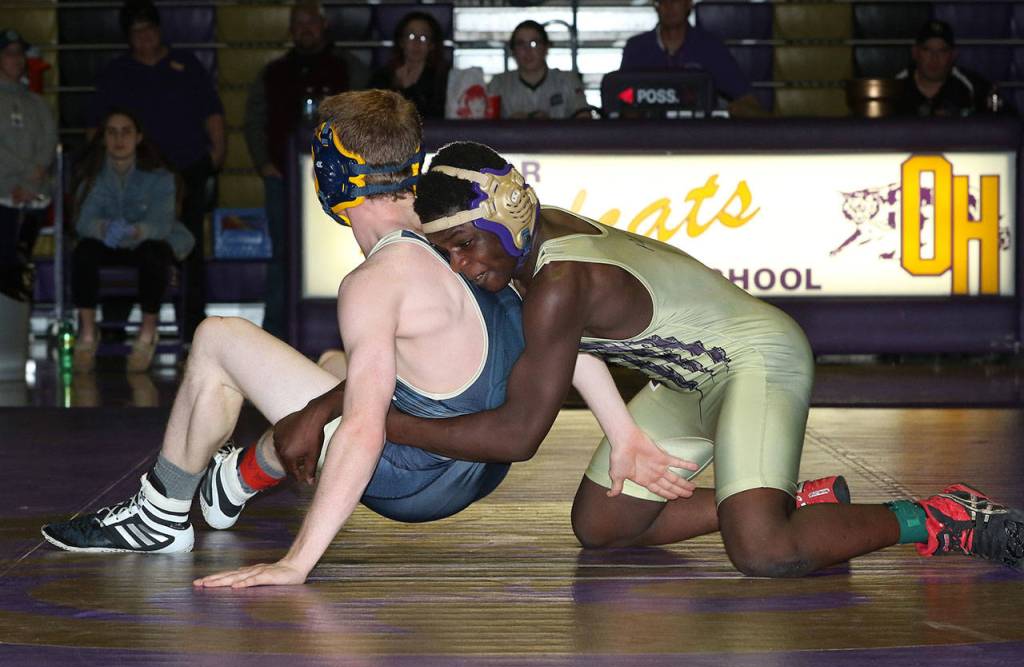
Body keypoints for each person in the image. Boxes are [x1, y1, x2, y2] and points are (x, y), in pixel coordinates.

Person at [40, 91, 633, 588]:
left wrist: (297, 562)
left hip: (414, 479)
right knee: (335, 363)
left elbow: (364, 426)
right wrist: (624, 433)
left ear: (331, 172)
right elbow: (563, 339)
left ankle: (158, 516)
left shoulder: (374, 282)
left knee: (219, 337)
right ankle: (242, 476)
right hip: (477, 462)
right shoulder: (462, 225)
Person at [380, 140, 1024, 577]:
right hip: (687, 379)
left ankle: (942, 518)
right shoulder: (531, 242)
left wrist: (381, 421)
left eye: (466, 246)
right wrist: (625, 430)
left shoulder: (557, 283)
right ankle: (802, 499)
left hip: (756, 359)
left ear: (504, 216)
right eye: (451, 255)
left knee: (763, 550)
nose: (465, 267)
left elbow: (519, 436)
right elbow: (568, 357)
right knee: (603, 525)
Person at [90, 0, 226, 341]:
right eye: (136, 32)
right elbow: (96, 126)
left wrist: (217, 152)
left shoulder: (187, 65)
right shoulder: (117, 72)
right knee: (125, 244)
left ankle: (194, 330)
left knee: (189, 246)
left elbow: (212, 113)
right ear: (128, 37)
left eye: (149, 29)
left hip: (187, 170)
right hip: (135, 175)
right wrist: (95, 165)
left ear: (159, 29)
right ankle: (114, 326)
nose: (145, 37)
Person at [244, 1, 350, 340]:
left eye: (311, 22)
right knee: (281, 259)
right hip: (283, 181)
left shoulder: (349, 69)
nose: (305, 28)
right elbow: (254, 122)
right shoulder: (273, 72)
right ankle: (272, 335)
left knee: (334, 257)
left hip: (337, 182)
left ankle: (336, 332)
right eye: (298, 23)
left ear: (324, 25)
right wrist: (263, 164)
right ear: (291, 30)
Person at [69, 109, 195, 373]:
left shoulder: (162, 177)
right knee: (83, 252)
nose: (119, 138)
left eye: (126, 131)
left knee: (155, 253)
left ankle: (147, 333)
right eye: (112, 132)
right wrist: (104, 227)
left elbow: (161, 225)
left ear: (138, 137)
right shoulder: (91, 174)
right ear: (103, 138)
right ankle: (88, 334)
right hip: (108, 242)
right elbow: (83, 221)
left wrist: (135, 230)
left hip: (147, 241)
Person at [619, 0, 765, 118]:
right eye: (663, 1)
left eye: (676, 0)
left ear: (689, 3)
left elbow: (746, 100)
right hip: (648, 138)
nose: (669, 6)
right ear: (656, 6)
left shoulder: (710, 47)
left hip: (699, 138)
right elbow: (620, 101)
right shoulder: (636, 48)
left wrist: (736, 111)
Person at [0, 28, 56, 303]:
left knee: (20, 262)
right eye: (9, 54)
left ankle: (14, 329)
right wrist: (19, 180)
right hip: (3, 191)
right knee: (8, 259)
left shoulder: (37, 103)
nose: (16, 59)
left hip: (33, 195)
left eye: (19, 53)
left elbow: (48, 144)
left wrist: (30, 182)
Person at [893, 20, 1001, 118]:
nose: (934, 58)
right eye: (927, 50)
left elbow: (1004, 123)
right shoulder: (892, 88)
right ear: (915, 52)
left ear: (953, 55)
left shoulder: (975, 87)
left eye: (942, 51)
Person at [487, 20, 590, 120]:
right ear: (513, 50)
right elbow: (485, 129)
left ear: (546, 47)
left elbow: (585, 124)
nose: (527, 51)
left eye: (534, 43)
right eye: (520, 44)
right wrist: (510, 126)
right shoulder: (498, 83)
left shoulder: (567, 80)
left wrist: (549, 127)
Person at [369, 11, 449, 119]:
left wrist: (409, 89)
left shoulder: (443, 77)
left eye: (423, 37)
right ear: (401, 41)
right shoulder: (383, 76)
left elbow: (438, 116)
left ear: (432, 45)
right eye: (411, 36)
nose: (416, 43)